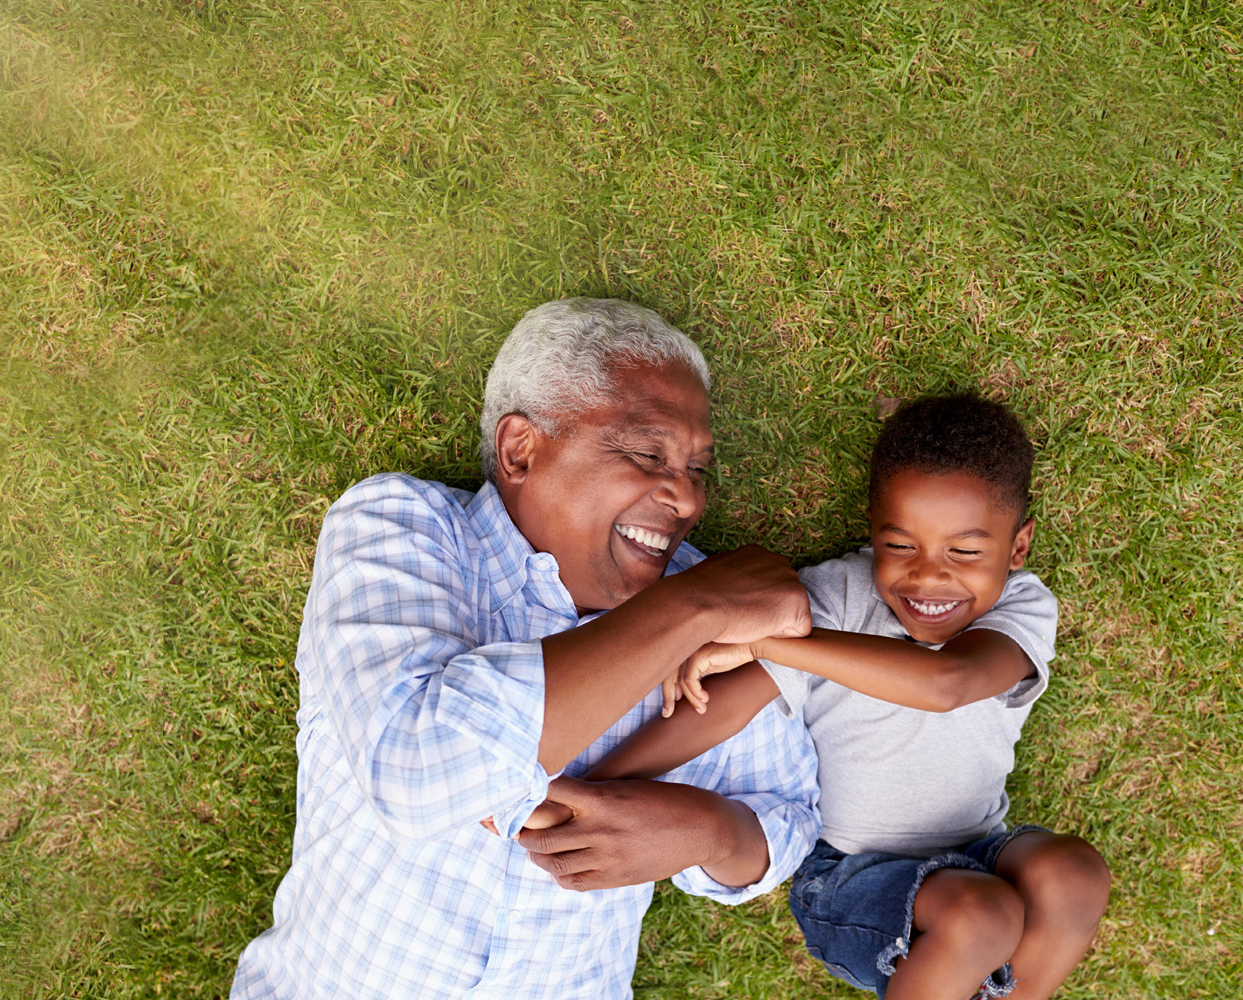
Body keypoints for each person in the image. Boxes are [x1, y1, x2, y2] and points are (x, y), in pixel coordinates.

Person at [230, 298, 822, 999]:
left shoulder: (712, 611)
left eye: (697, 468)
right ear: (521, 450)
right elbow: (421, 771)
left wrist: (706, 831)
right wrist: (692, 607)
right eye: (647, 453)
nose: (688, 500)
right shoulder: (400, 529)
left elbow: (787, 815)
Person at [534, 394, 1111, 1000]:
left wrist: (772, 643)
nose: (928, 577)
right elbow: (726, 707)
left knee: (1072, 874)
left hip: (982, 845)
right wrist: (592, 787)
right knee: (981, 913)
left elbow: (950, 684)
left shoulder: (1021, 606)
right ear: (873, 529)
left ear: (1017, 549)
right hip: (851, 876)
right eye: (900, 545)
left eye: (965, 552)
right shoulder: (835, 596)